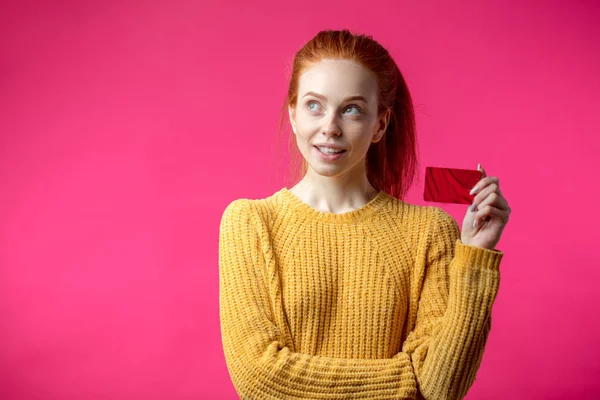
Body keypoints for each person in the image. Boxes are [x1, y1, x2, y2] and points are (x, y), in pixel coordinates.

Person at [218, 29, 511, 400]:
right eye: (314, 105)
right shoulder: (250, 223)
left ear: (380, 125)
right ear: (293, 115)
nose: (330, 127)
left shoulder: (429, 232)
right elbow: (260, 378)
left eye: (352, 109)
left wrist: (475, 257)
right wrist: (408, 381)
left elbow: (440, 389)